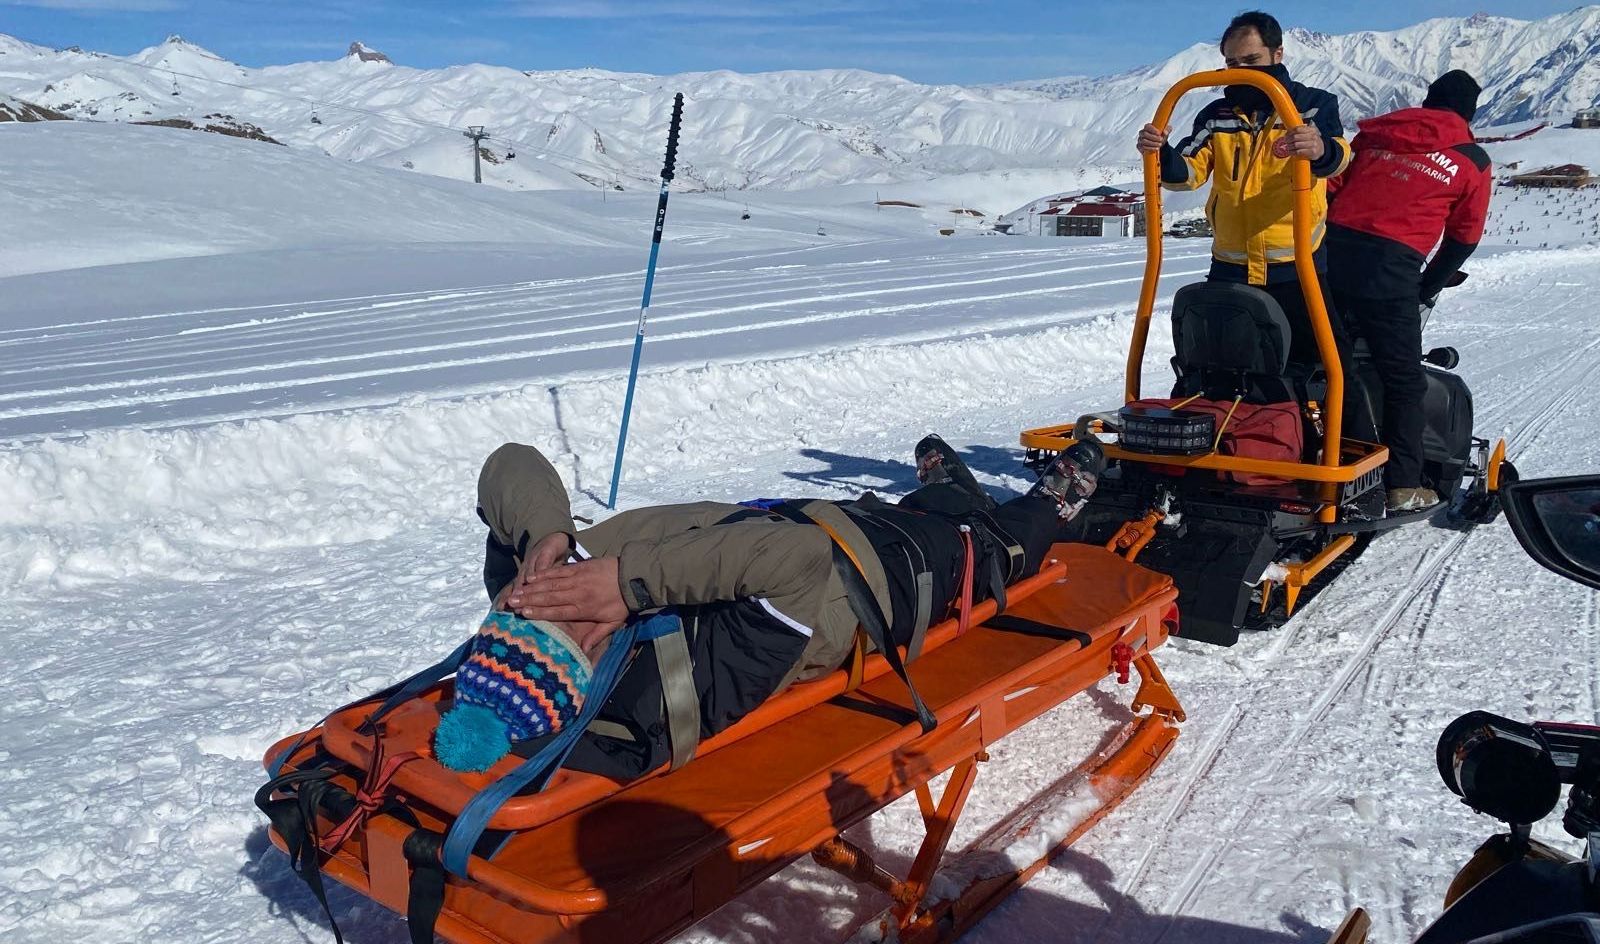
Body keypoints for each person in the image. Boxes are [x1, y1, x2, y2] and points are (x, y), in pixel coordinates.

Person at [451, 433, 1104, 778]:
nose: (559, 599)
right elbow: (794, 558)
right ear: (588, 664)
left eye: (525, 610)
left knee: (906, 515)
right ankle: (1052, 500)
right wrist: (628, 583)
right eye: (559, 623)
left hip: (824, 520)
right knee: (988, 544)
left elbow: (509, 461)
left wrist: (547, 540)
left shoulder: (553, 586)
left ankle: (950, 489)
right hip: (885, 580)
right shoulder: (677, 684)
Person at [1136, 10, 1353, 367]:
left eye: (1252, 61)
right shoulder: (1217, 115)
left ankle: (1342, 423)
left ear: (1277, 54)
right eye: (1232, 63)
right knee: (1223, 366)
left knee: (1326, 364)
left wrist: (1320, 149)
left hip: (1296, 265)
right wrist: (1161, 153)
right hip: (1231, 266)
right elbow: (1188, 172)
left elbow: (1338, 156)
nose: (1241, 72)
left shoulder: (1312, 106)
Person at [1324, 70, 1493, 513]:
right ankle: (1402, 484)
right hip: (1390, 270)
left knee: (1325, 360)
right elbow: (1463, 237)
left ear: (1428, 99)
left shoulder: (1377, 134)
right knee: (1403, 380)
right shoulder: (1472, 160)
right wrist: (1427, 285)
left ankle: (1319, 451)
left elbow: (1331, 185)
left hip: (1329, 257)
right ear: (1469, 113)